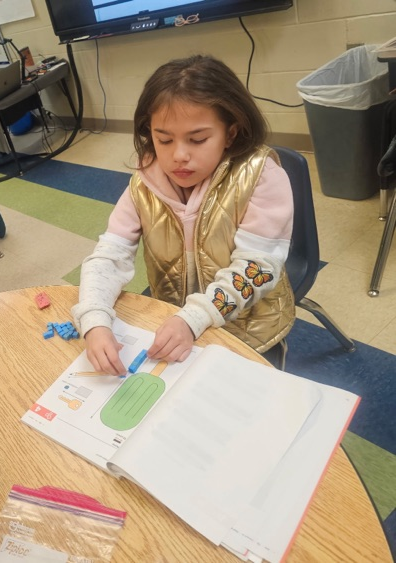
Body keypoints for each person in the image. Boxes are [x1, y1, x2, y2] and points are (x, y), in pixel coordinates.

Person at [73, 55, 295, 374]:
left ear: (231, 133)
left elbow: (256, 269)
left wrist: (193, 318)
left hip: (249, 329)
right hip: (175, 323)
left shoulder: (261, 176)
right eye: (164, 140)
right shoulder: (143, 184)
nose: (179, 155)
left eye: (198, 139)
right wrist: (94, 318)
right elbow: (109, 255)